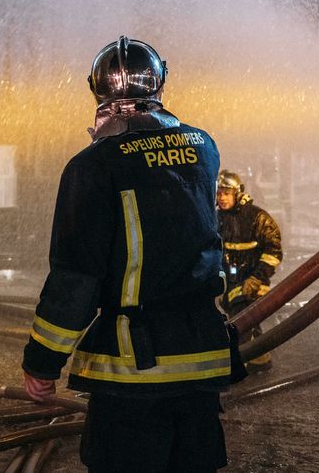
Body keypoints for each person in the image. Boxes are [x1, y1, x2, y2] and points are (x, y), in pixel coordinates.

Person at [22, 36, 235, 472]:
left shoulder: (93, 165)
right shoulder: (203, 148)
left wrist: (42, 362)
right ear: (161, 82)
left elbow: (77, 275)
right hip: (202, 360)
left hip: (134, 371)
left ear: (95, 89)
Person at [216, 169, 282, 372]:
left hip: (252, 281)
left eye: (226, 193)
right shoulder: (216, 218)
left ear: (237, 193)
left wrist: (256, 279)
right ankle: (261, 361)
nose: (222, 198)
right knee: (246, 322)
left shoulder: (257, 218)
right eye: (219, 193)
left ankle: (239, 366)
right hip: (230, 282)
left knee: (240, 322)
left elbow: (273, 252)